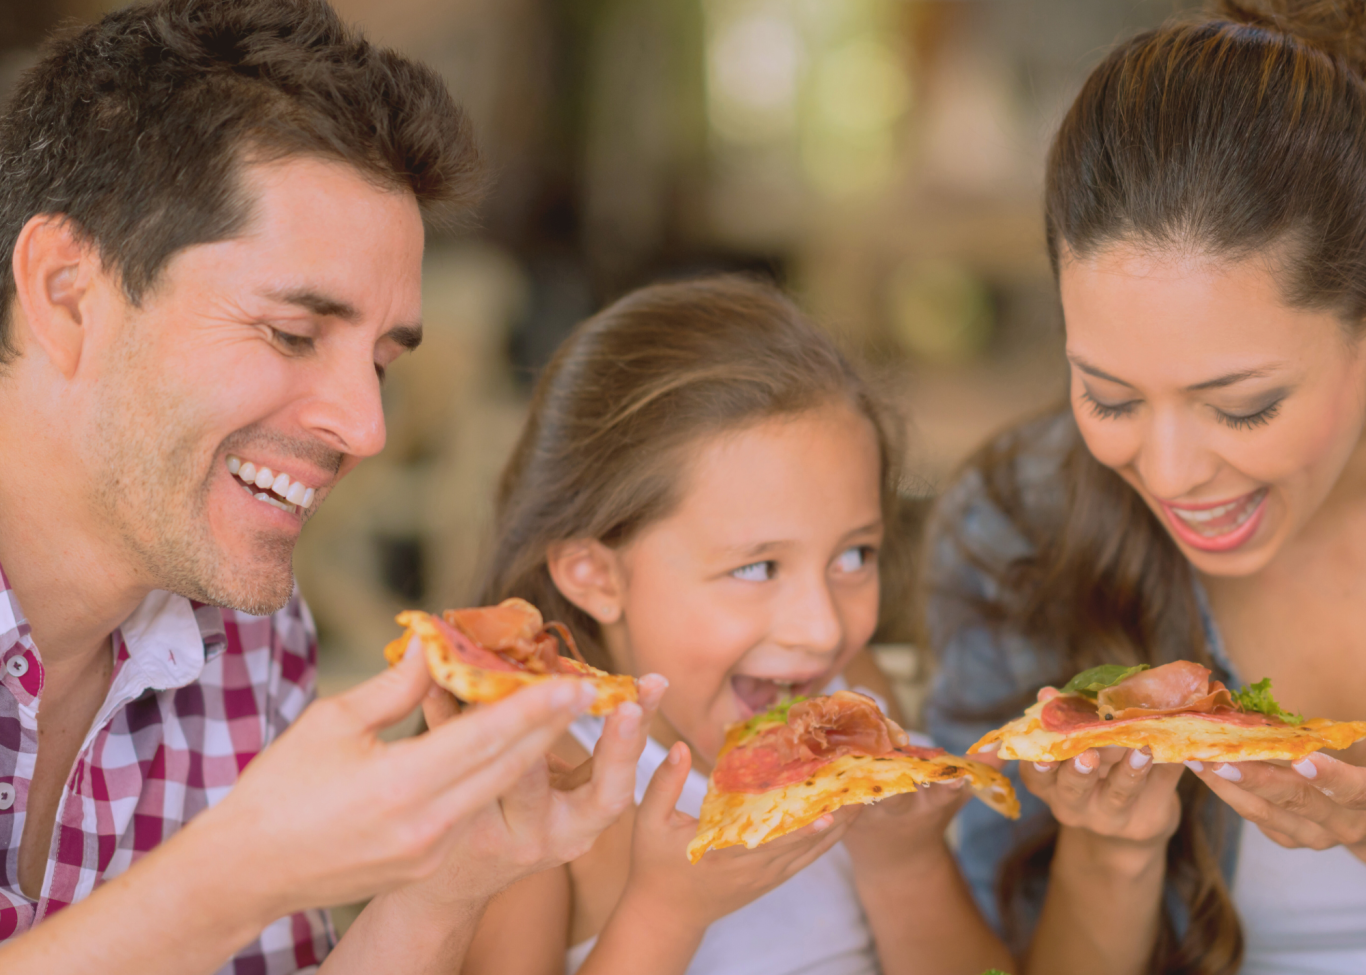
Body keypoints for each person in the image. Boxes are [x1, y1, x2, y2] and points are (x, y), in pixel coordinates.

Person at [0, 2, 664, 973]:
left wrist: (454, 876)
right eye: (292, 334)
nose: (366, 428)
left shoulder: (246, 627)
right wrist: (244, 870)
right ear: (68, 293)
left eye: (382, 361)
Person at [924, 2, 1366, 974]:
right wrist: (1110, 851)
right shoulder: (1017, 527)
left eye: (1241, 407)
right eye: (1109, 395)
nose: (1167, 474)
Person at [453, 276, 1016, 975]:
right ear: (596, 575)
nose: (821, 630)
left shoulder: (853, 699)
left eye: (853, 555)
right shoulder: (534, 776)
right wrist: (667, 911)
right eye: (757, 568)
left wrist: (905, 865)